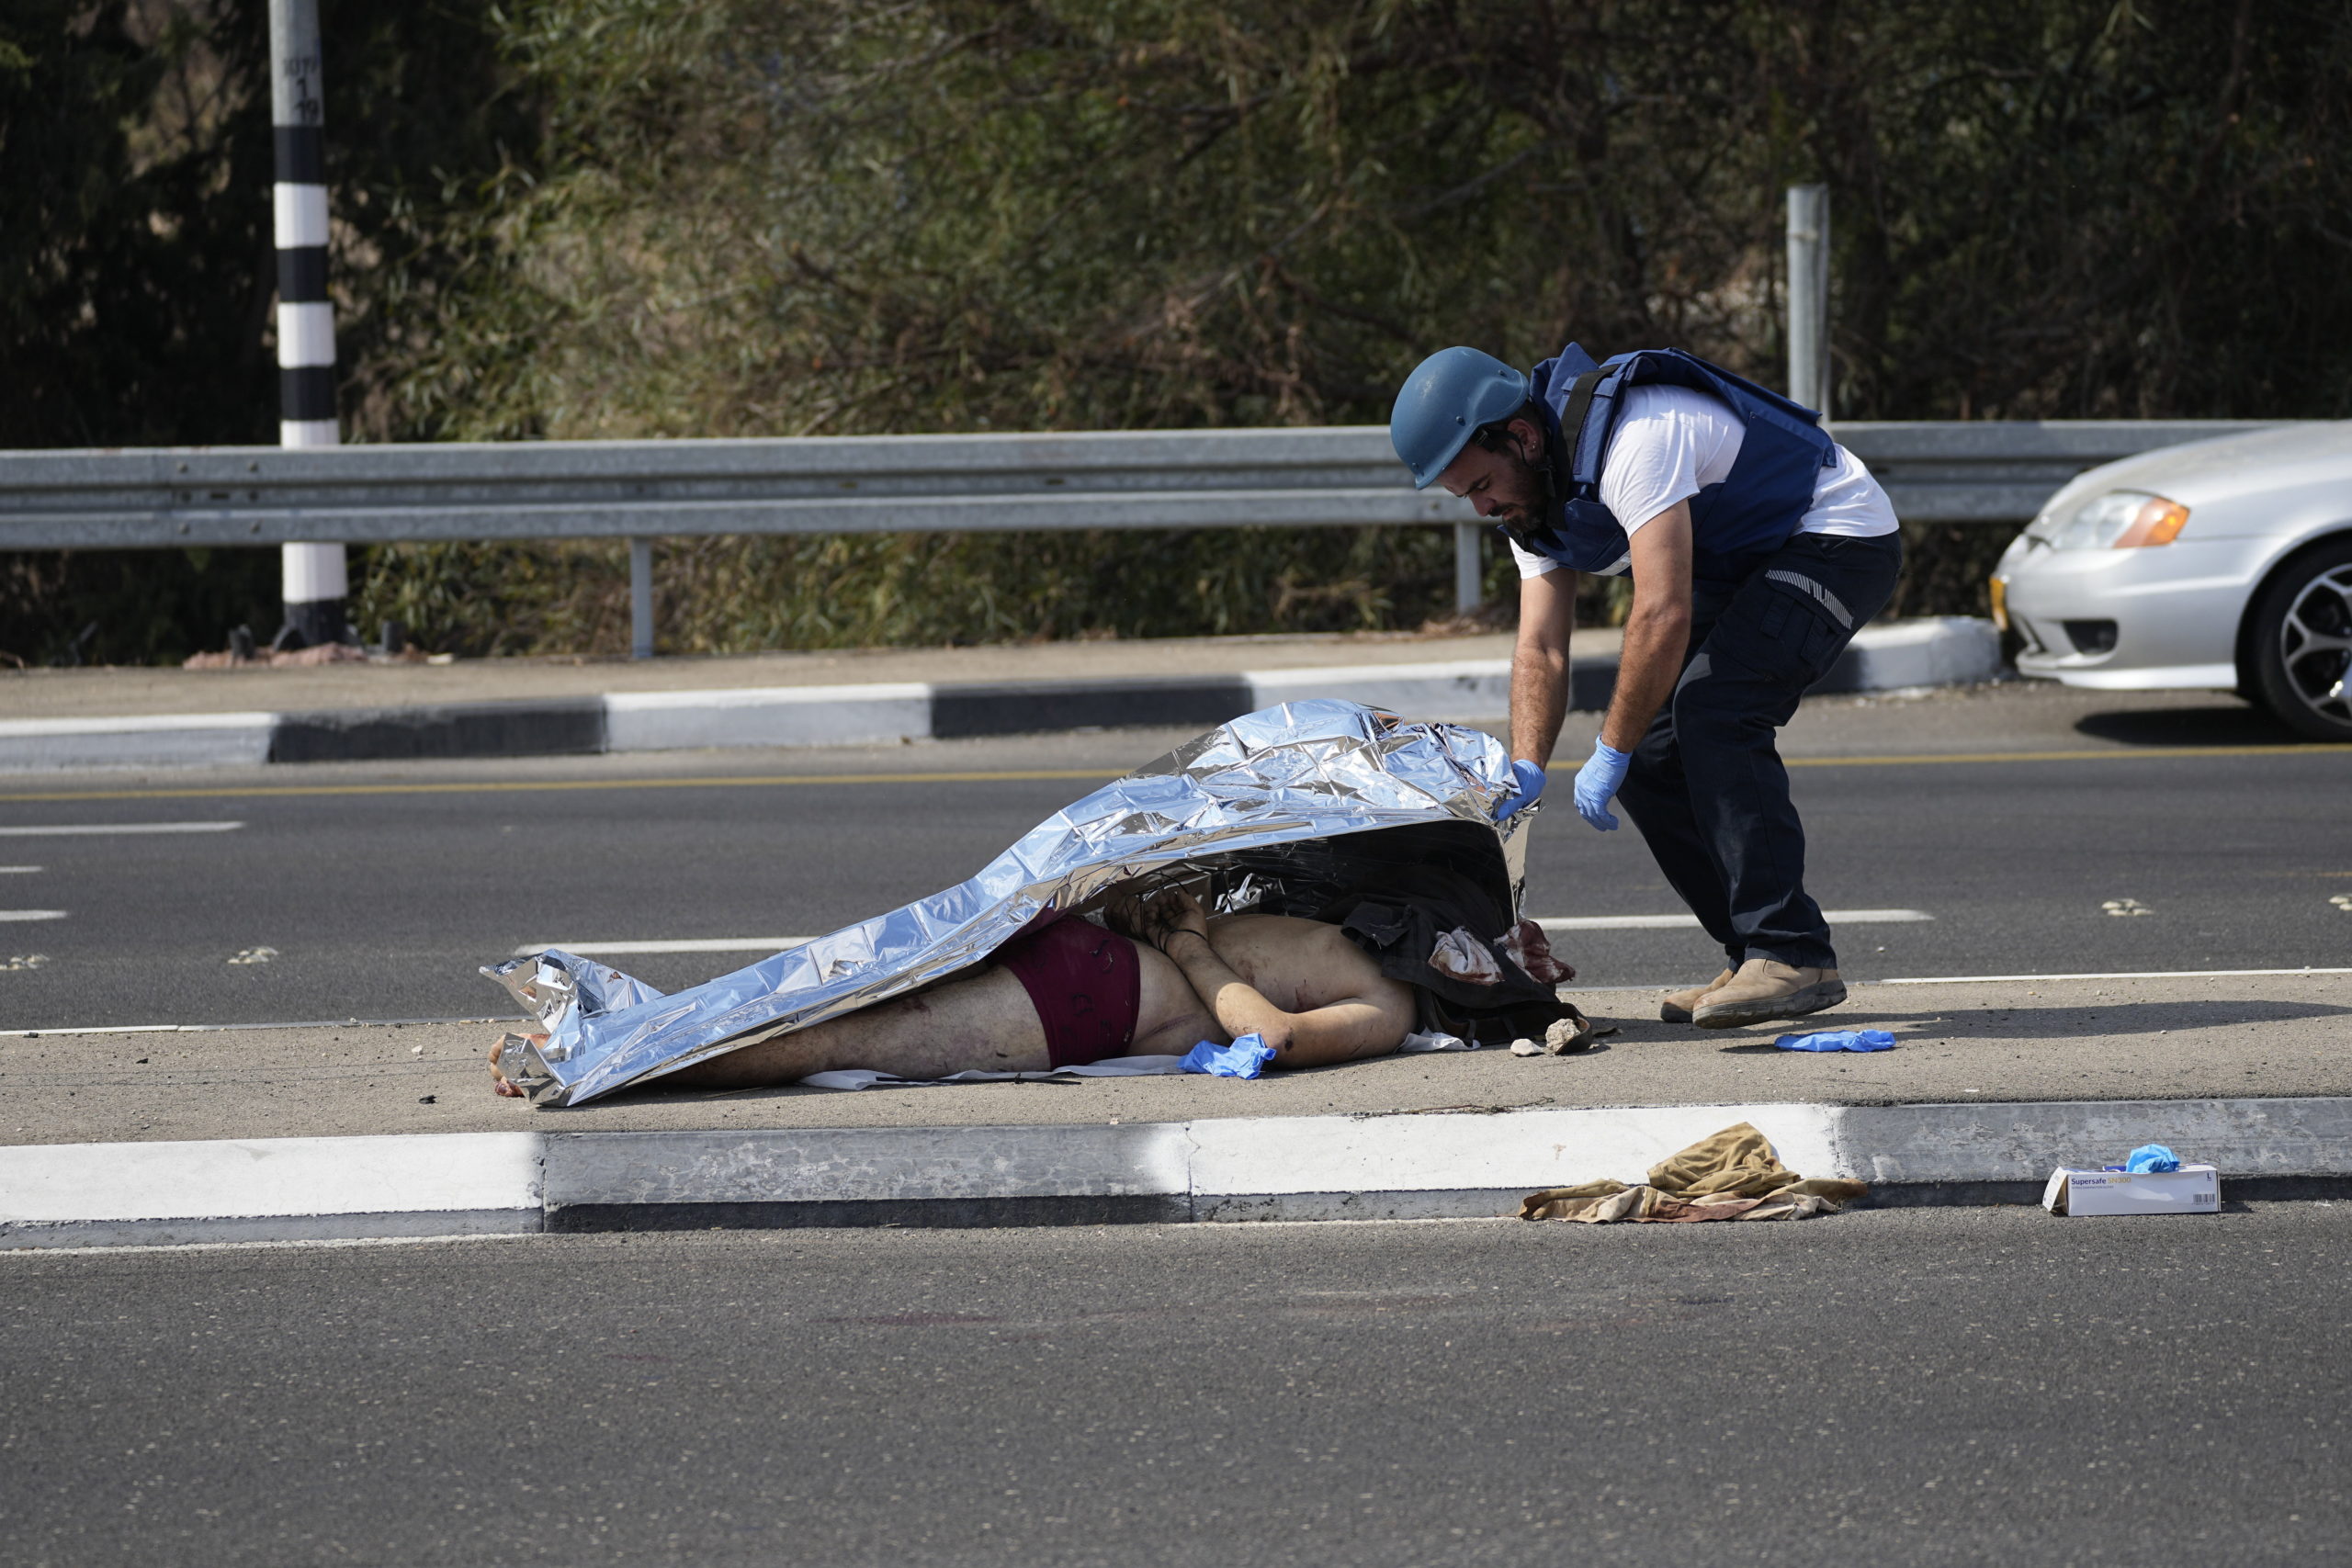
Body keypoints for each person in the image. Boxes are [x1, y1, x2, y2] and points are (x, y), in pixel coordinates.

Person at [1390, 342, 1903, 1029]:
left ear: (1521, 435)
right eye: (1466, 496)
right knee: (1650, 756)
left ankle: (1792, 950)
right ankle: (1754, 954)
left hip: (1834, 536)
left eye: (1481, 484)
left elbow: (1662, 610)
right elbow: (1540, 647)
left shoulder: (1636, 437)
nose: (1481, 506)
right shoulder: (1528, 501)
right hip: (1744, 562)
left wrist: (1608, 744)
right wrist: (1526, 764)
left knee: (1715, 712)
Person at [489, 888, 1416, 1095]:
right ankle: (601, 1045)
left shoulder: (1391, 999)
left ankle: (600, 1046)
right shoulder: (1352, 914)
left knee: (831, 1021)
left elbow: (1273, 1040)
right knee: (827, 1007)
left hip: (1102, 983)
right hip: (1092, 971)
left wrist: (1189, 945)